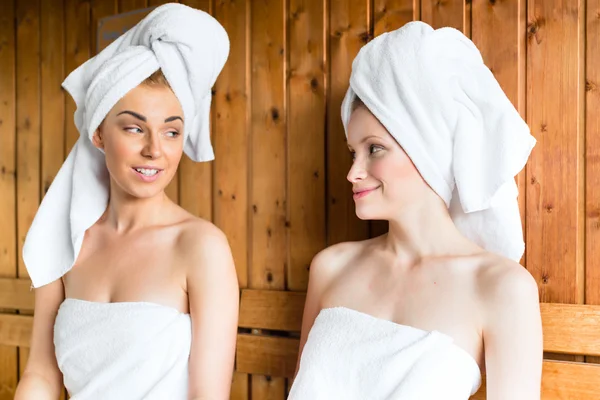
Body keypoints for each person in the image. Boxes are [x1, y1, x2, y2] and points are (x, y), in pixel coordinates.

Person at [289, 21, 542, 400]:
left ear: (429, 151)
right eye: (352, 152)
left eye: (373, 149)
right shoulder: (331, 267)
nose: (353, 172)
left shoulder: (501, 288)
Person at [14, 4, 238, 400]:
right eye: (135, 128)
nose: (155, 150)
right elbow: (41, 375)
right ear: (98, 134)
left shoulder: (201, 247)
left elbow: (209, 395)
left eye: (171, 132)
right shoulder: (66, 239)